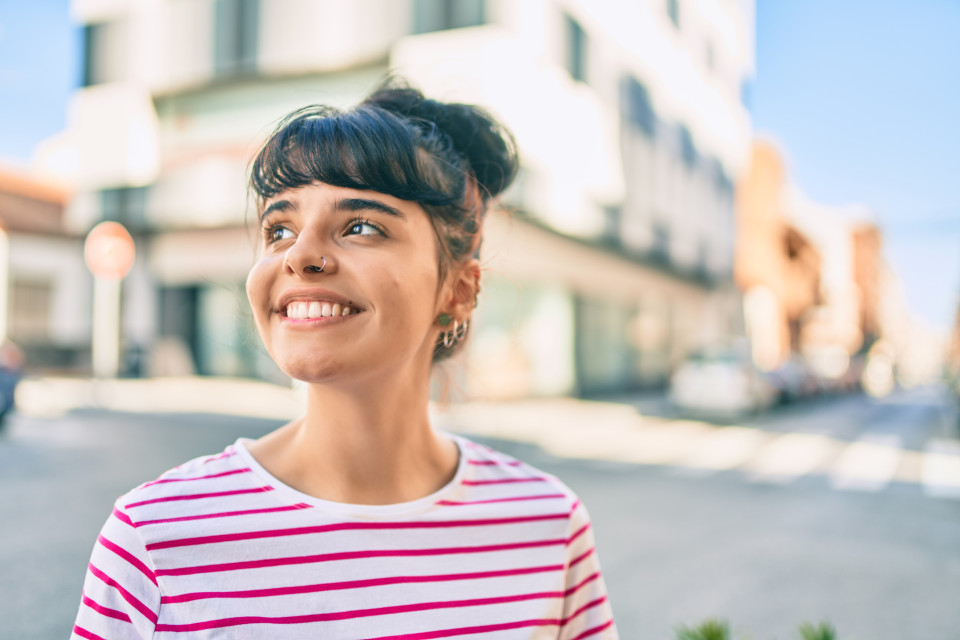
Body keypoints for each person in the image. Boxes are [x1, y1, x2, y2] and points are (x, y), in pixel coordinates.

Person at [71, 80, 618, 639]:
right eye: (278, 228)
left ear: (457, 290)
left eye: (362, 226)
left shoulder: (546, 524)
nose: (301, 254)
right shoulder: (155, 539)